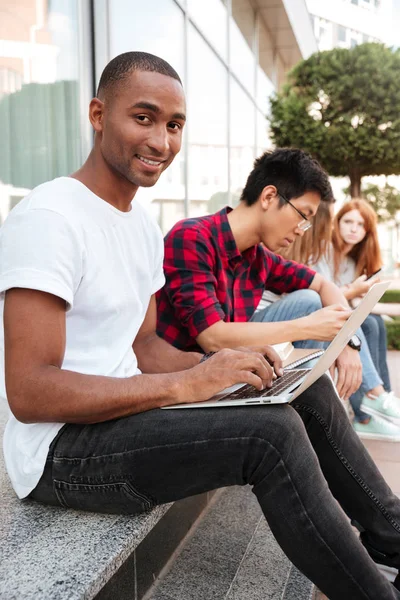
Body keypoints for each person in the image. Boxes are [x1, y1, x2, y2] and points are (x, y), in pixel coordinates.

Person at [1, 52, 400, 600]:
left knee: (302, 393)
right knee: (270, 436)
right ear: (98, 114)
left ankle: (393, 538)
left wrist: (226, 372)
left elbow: (143, 346)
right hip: (62, 452)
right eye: (142, 118)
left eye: (174, 125)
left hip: (127, 410)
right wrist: (188, 383)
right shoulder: (50, 217)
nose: (161, 141)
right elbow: (28, 392)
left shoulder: (140, 226)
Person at [157, 148, 363, 402]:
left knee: (312, 300)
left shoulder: (259, 258)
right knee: (308, 306)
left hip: (230, 379)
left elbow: (323, 284)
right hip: (180, 385)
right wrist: (309, 327)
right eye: (302, 216)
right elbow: (212, 336)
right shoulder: (191, 237)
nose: (302, 230)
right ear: (268, 197)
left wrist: (348, 342)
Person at [312, 199, 400, 437]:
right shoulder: (323, 250)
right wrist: (353, 290)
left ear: (367, 231)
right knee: (367, 322)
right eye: (348, 221)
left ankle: (381, 400)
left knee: (375, 322)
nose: (353, 228)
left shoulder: (353, 261)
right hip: (318, 315)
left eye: (360, 224)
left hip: (339, 315)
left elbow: (357, 303)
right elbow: (321, 298)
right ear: (336, 223)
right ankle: (370, 406)